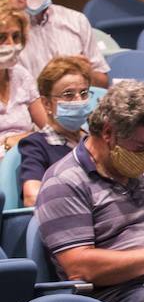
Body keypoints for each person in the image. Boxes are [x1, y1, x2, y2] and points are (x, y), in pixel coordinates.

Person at [35, 81, 144, 302]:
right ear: (108, 133)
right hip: (112, 296)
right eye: (140, 147)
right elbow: (80, 267)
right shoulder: (64, 182)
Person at [6, 0, 110, 87]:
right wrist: (11, 12)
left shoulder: (77, 21)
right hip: (22, 106)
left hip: (71, 103)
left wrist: (85, 72)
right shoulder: (5, 26)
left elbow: (103, 82)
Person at [19, 56, 94, 206]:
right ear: (46, 103)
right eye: (68, 95)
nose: (78, 100)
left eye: (84, 93)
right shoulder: (36, 144)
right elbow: (32, 197)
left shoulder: (93, 140)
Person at [0, 0, 45, 151]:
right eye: (2, 38)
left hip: (26, 155)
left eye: (16, 36)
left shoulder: (21, 75)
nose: (10, 44)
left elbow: (48, 128)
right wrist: (7, 143)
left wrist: (20, 139)